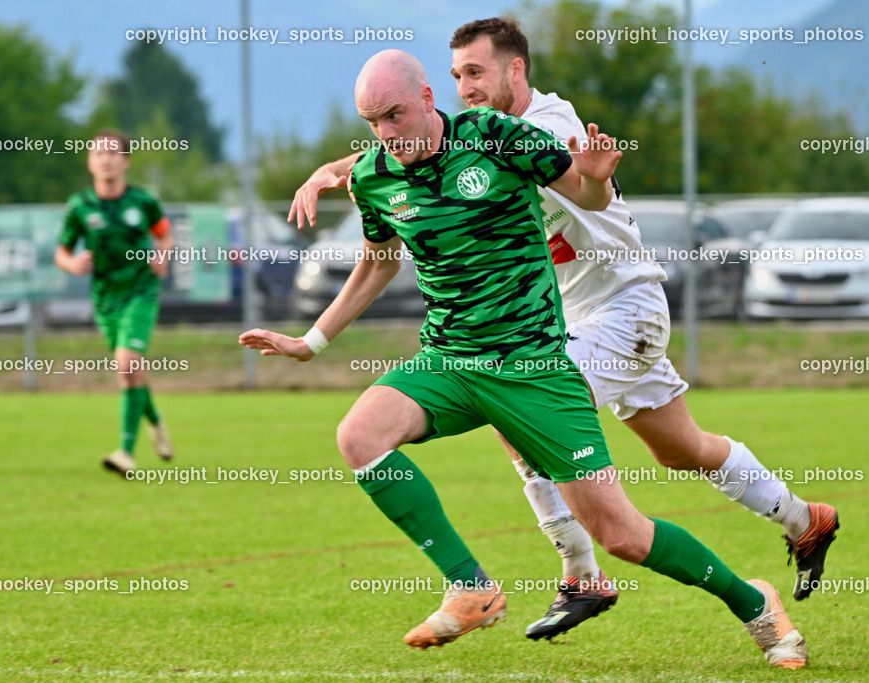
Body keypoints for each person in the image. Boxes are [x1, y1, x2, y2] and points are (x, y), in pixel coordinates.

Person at [242, 49, 807, 669]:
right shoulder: (378, 175)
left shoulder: (496, 136)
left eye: (395, 115)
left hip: (534, 368)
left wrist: (592, 176)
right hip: (449, 361)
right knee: (360, 435)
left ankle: (752, 600)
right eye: (372, 121)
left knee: (622, 536)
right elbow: (379, 262)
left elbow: (588, 199)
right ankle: (471, 585)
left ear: (429, 99)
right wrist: (312, 341)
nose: (385, 133)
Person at [56, 129, 174, 475]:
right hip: (106, 298)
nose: (105, 159)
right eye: (98, 154)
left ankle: (125, 452)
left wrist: (162, 256)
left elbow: (164, 234)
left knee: (126, 366)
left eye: (112, 153)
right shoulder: (80, 206)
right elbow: (61, 252)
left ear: (126, 161)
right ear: (90, 161)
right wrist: (72, 263)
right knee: (132, 371)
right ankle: (155, 421)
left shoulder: (143, 201)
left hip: (140, 291)